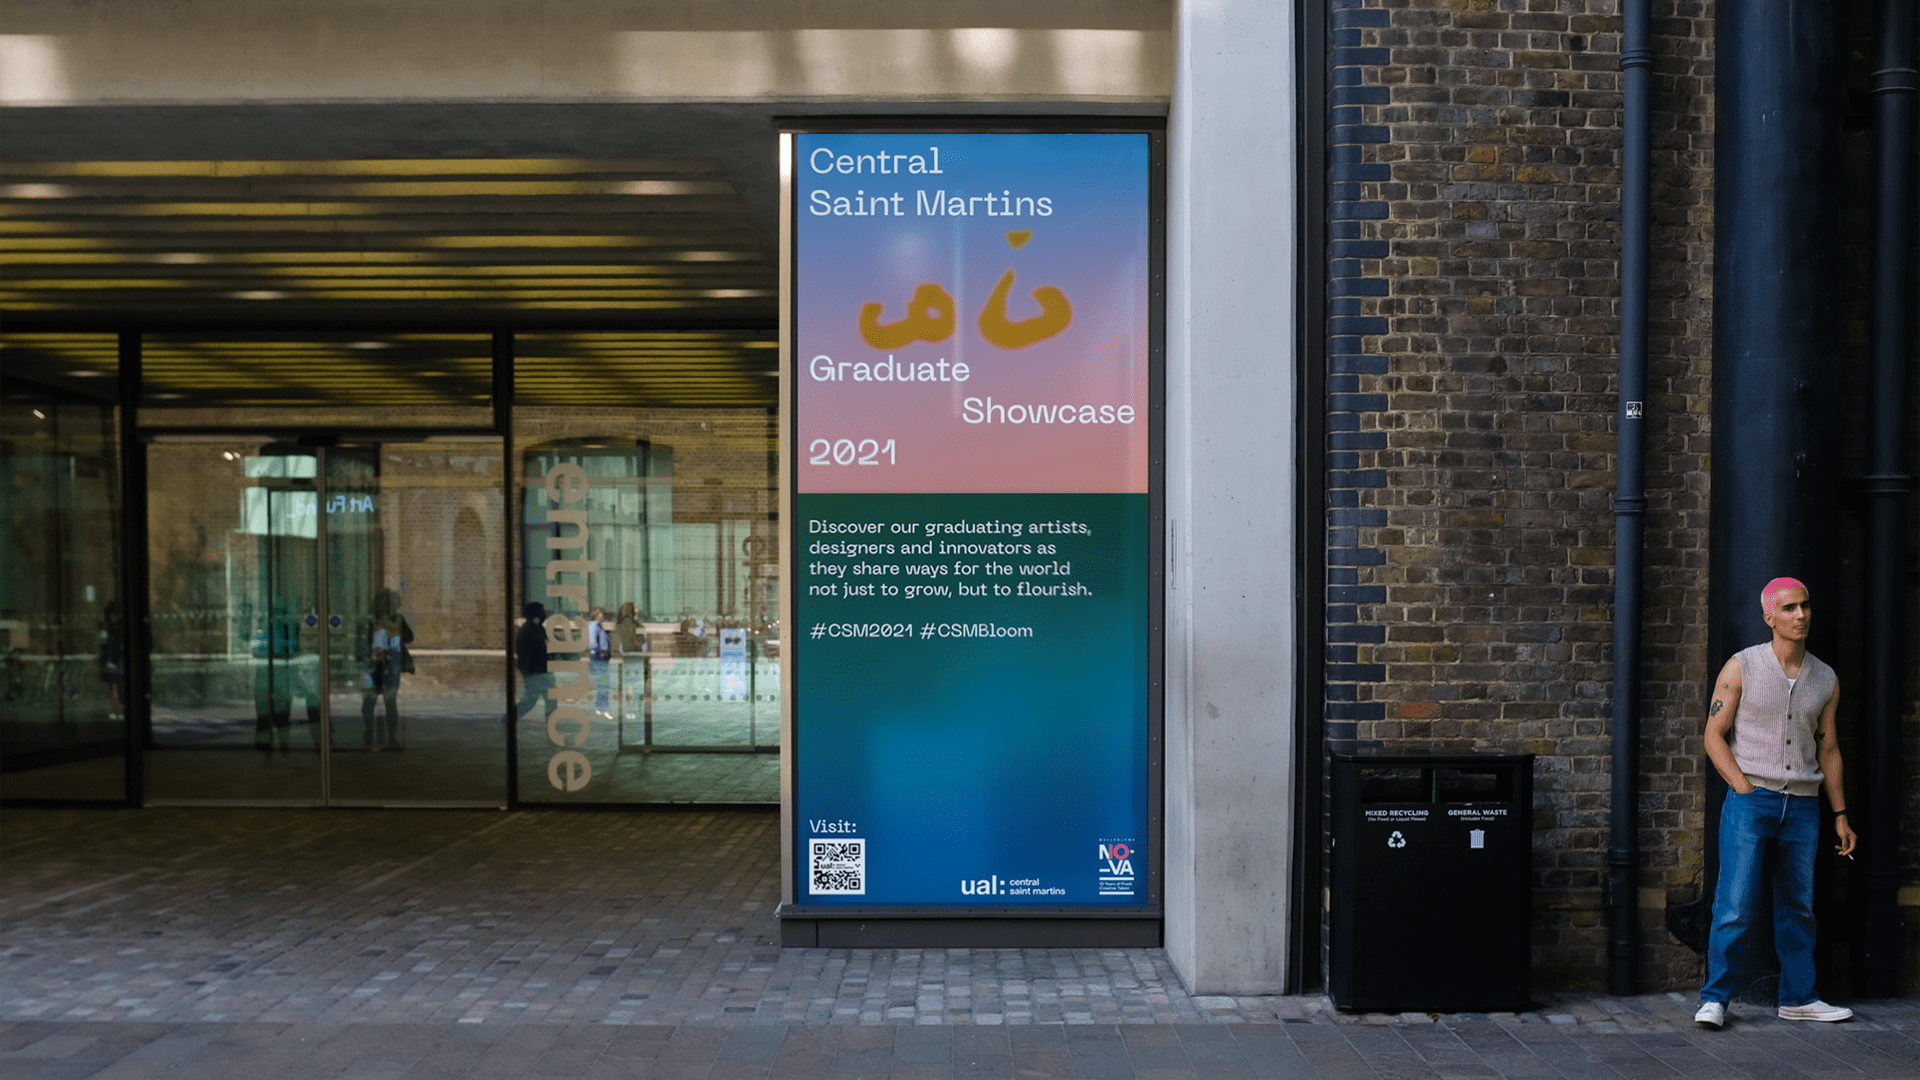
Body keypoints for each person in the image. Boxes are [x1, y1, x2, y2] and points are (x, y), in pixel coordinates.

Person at [1695, 577, 1856, 1028]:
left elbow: (1829, 748)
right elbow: (1713, 735)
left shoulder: (1825, 678)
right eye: (1788, 608)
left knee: (1799, 908)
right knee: (1735, 906)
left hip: (1803, 805)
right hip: (1752, 802)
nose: (1800, 615)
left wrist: (1840, 813)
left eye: (1805, 605)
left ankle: (1799, 998)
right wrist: (1744, 788)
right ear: (1769, 617)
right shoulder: (1741, 667)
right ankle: (1715, 999)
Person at [362, 607, 412, 750]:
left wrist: (394, 631)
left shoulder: (396, 620)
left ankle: (389, 737)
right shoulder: (368, 621)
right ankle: (371, 734)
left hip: (389, 667)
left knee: (388, 703)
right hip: (372, 667)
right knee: (370, 703)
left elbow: (408, 637)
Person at [514, 601, 552, 727]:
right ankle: (506, 721)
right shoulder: (527, 631)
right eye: (541, 611)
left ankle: (551, 726)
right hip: (535, 672)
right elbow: (524, 655)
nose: (544, 614)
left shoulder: (539, 628)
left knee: (550, 700)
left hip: (542, 671)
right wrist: (529, 673)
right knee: (530, 701)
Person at [587, 606, 612, 717]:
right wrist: (600, 651)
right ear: (599, 615)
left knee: (603, 684)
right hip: (598, 657)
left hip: (601, 657)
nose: (603, 617)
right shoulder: (594, 626)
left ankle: (601, 708)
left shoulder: (597, 626)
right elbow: (592, 643)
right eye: (602, 614)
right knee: (603, 684)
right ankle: (602, 708)